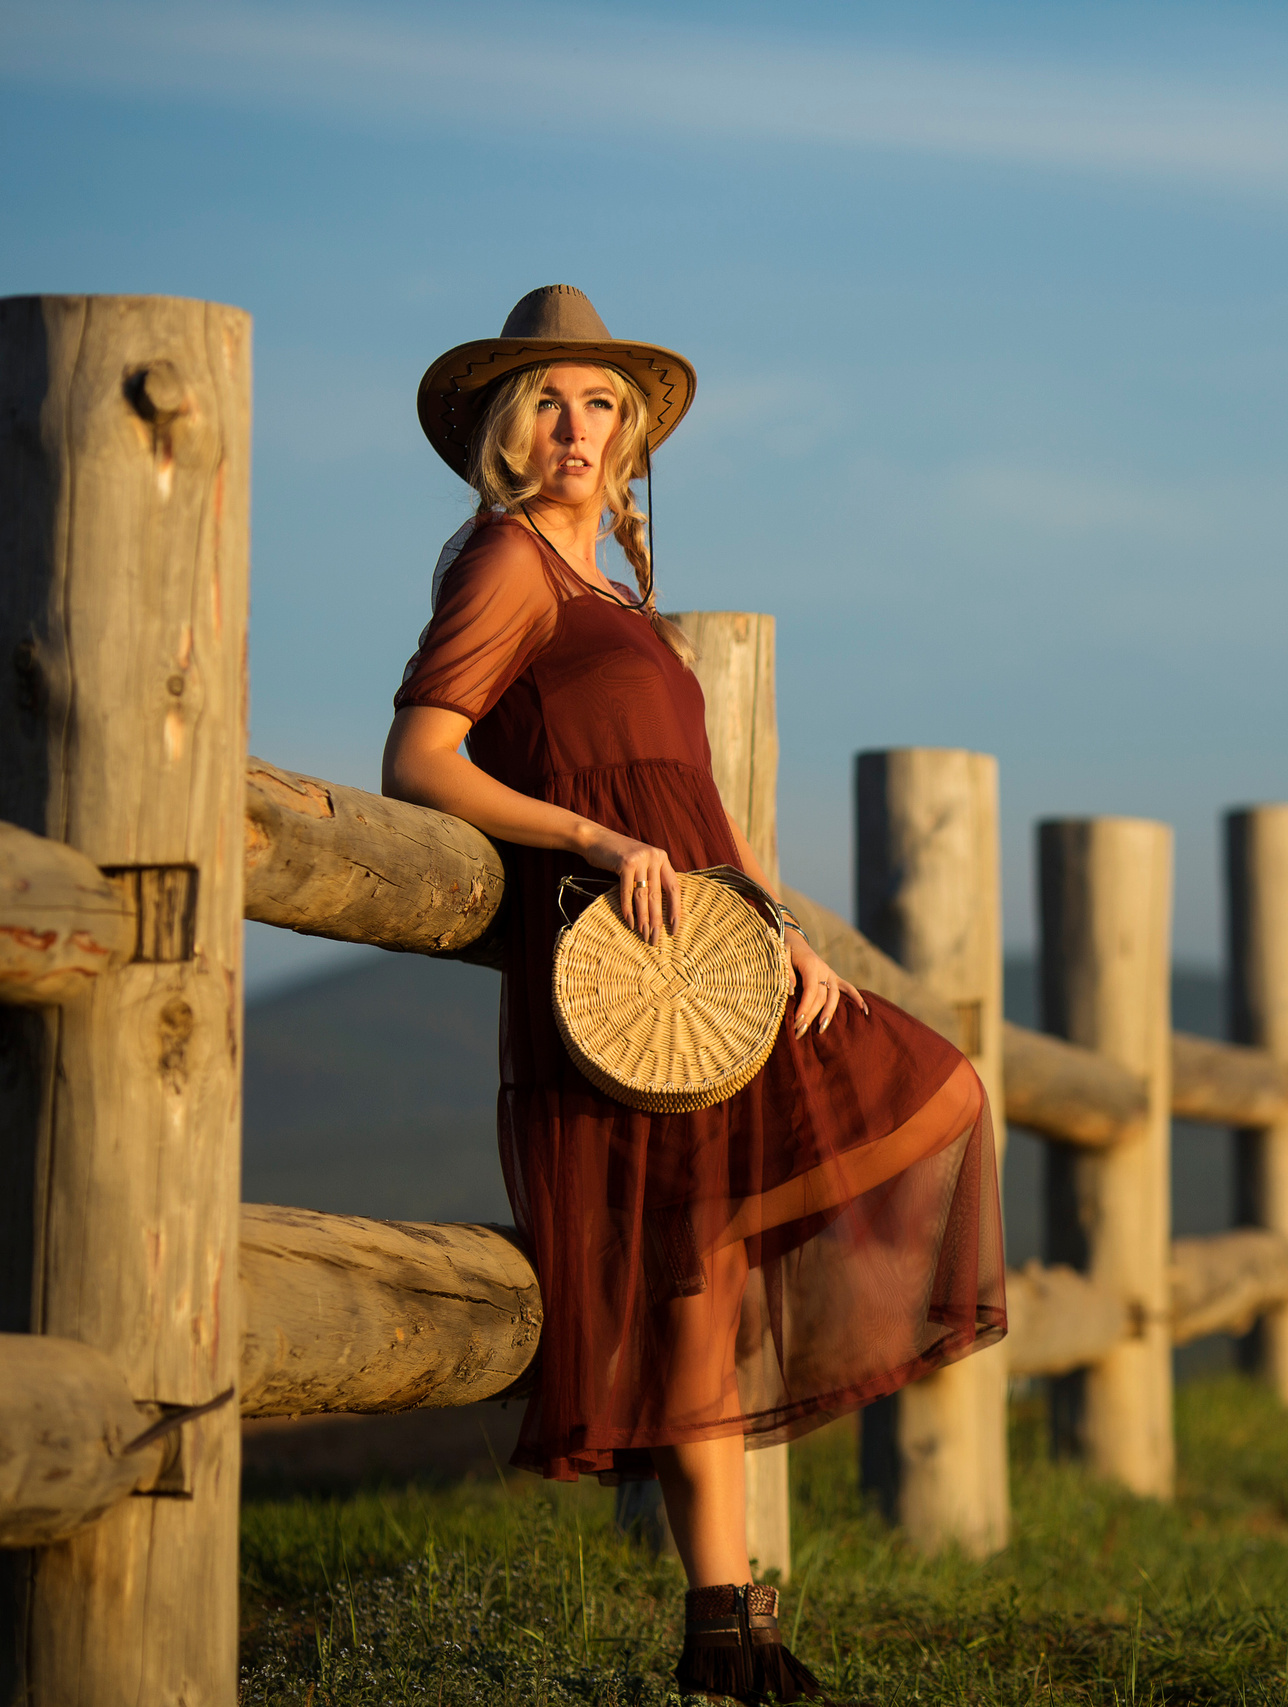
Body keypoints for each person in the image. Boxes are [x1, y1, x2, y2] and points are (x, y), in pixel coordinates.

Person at [389, 285, 1004, 1704]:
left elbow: (695, 807)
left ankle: (725, 1632)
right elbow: (421, 759)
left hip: (707, 960)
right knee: (686, 1278)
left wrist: (777, 932)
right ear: (499, 430)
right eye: (542, 400)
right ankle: (723, 1622)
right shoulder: (506, 565)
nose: (573, 427)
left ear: (634, 433)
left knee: (755, 1242)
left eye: (599, 402)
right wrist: (591, 839)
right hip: (615, 980)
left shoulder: (622, 598)